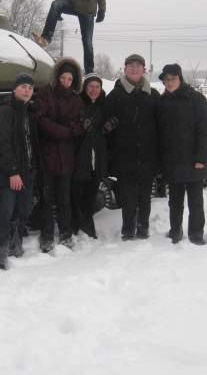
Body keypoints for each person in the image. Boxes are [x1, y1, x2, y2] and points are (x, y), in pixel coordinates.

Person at [104, 54, 160, 240]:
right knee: (127, 197)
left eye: (138, 66)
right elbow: (105, 126)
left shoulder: (153, 95)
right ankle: (128, 230)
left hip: (147, 156)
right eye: (131, 66)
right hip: (124, 157)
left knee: (145, 196)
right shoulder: (115, 95)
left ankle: (143, 228)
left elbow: (162, 126)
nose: (134, 69)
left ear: (144, 70)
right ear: (125, 69)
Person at [157, 64, 207, 245]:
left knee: (195, 201)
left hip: (192, 161)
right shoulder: (162, 102)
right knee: (174, 201)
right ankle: (175, 230)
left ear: (180, 78)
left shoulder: (196, 99)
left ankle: (196, 233)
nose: (169, 82)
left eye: (173, 78)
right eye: (166, 79)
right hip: (172, 162)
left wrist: (201, 158)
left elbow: (205, 131)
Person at [0, 73, 40, 269]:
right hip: (8, 173)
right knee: (6, 212)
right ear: (14, 89)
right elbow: (0, 144)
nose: (27, 90)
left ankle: (14, 244)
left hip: (26, 171)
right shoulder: (5, 111)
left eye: (30, 88)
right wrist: (12, 172)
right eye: (23, 86)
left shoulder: (27, 112)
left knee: (23, 210)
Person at [37, 57, 83, 252]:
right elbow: (41, 120)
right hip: (47, 155)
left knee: (64, 199)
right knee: (47, 199)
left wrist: (72, 130)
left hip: (66, 157)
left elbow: (80, 124)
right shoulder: (45, 94)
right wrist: (65, 131)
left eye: (69, 79)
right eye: (63, 78)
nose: (66, 82)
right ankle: (47, 235)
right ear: (57, 77)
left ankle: (65, 233)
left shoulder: (76, 100)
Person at [71, 74, 108, 239]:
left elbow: (111, 124)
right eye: (91, 86)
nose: (94, 90)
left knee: (91, 196)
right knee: (76, 196)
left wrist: (110, 124)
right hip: (79, 158)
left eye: (97, 87)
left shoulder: (104, 105)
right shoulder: (77, 104)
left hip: (97, 159)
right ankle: (75, 227)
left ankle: (87, 227)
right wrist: (80, 125)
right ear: (85, 88)